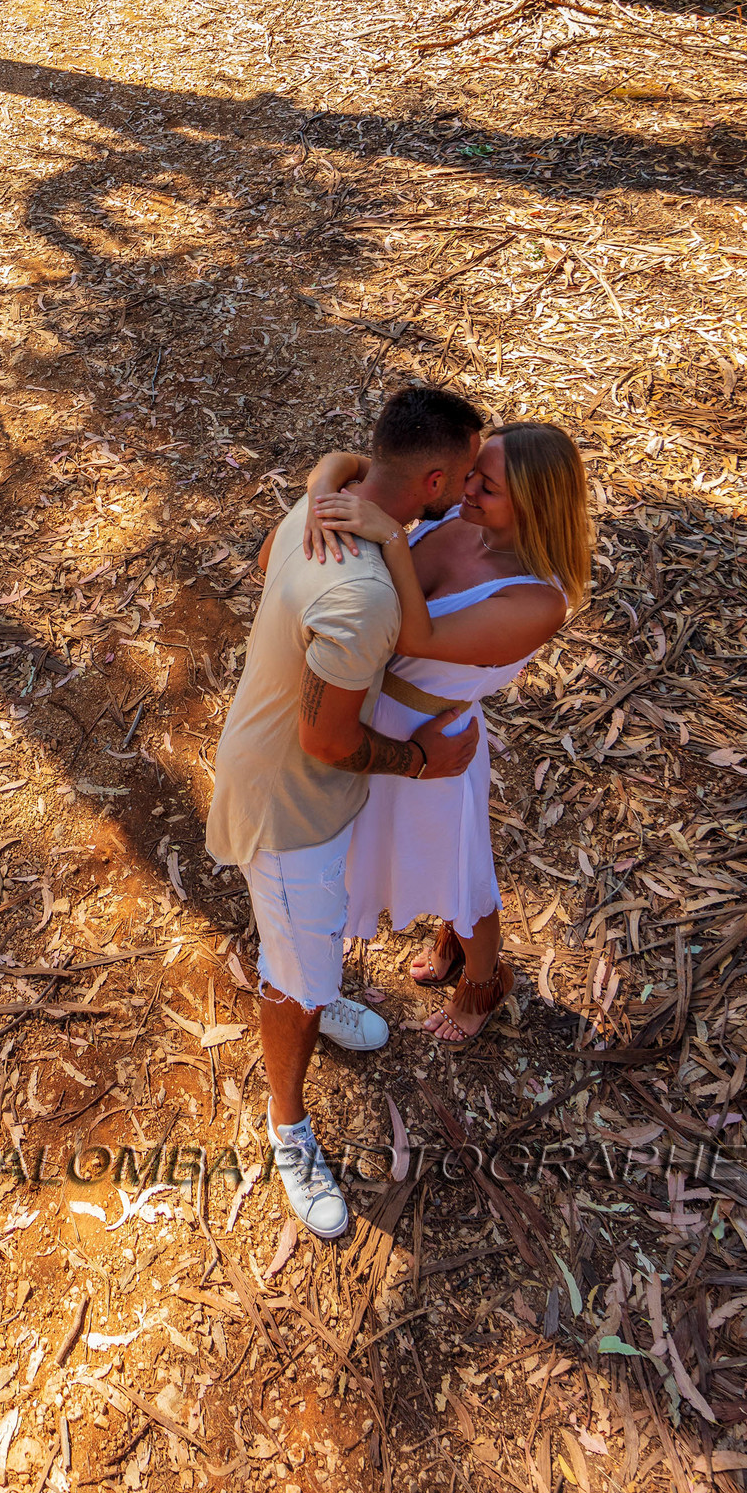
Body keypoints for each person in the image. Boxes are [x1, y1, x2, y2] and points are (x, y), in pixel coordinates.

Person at [204, 384, 486, 1240]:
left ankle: (322, 998)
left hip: (280, 770)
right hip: (291, 805)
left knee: (310, 946)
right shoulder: (366, 598)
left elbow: (263, 561)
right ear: (432, 479)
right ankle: (287, 1125)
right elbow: (327, 743)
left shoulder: (327, 504)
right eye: (469, 475)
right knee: (293, 973)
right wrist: (421, 761)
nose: (473, 489)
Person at [305, 422, 591, 1042]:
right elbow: (358, 460)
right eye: (470, 474)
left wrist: (391, 541)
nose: (465, 490)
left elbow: (414, 637)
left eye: (485, 486)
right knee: (374, 851)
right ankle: (450, 943)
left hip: (434, 735)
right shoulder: (464, 514)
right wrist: (322, 483)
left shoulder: (538, 600)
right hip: (372, 718)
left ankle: (484, 982)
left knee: (461, 875)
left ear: (532, 506)